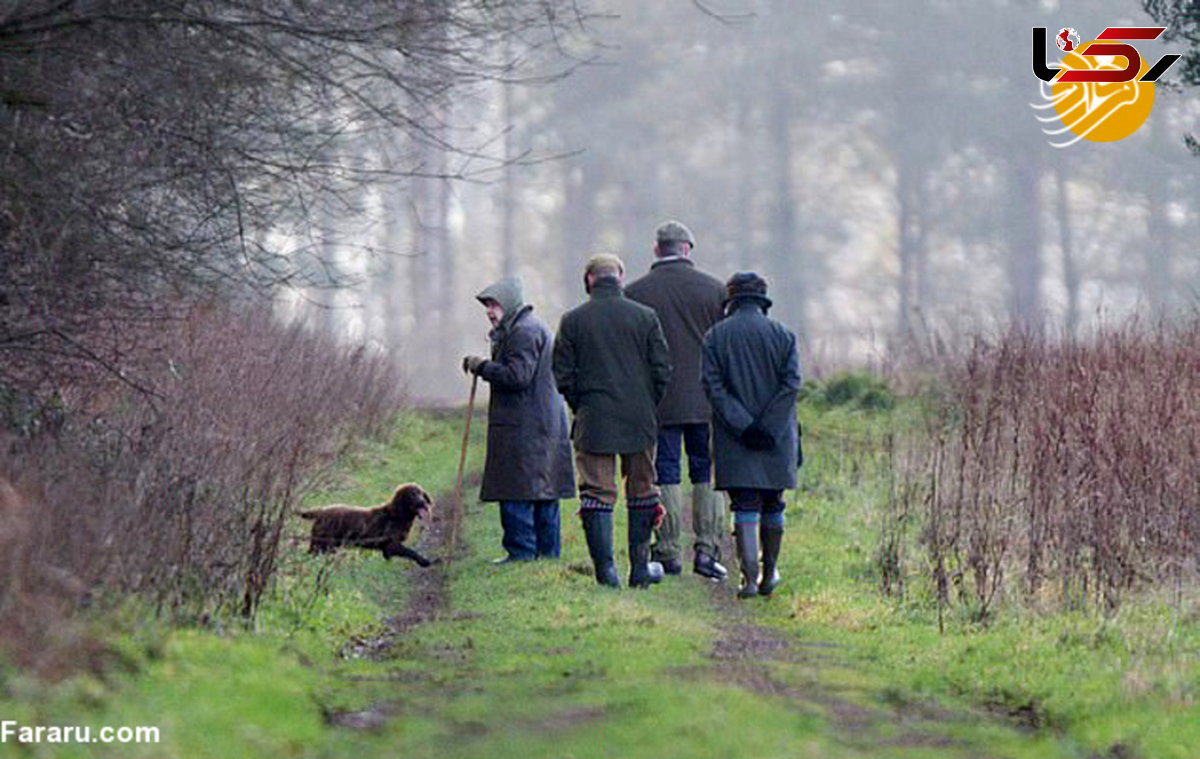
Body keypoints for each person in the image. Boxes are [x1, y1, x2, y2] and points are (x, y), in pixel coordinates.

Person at [552, 254, 673, 588]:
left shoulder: (572, 321)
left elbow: (563, 375)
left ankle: (606, 573)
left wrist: (583, 405)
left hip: (594, 421)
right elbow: (662, 369)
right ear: (619, 277)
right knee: (643, 490)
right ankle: (639, 570)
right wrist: (647, 403)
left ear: (589, 279)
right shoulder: (646, 317)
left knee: (596, 493)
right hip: (639, 420)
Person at [625, 220, 728, 581]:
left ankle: (667, 552)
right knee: (707, 471)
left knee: (665, 471)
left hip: (660, 402)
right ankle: (707, 550)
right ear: (687, 250)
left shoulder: (635, 293)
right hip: (706, 400)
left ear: (657, 250)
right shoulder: (716, 291)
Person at [463, 276, 576, 563]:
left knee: (517, 491)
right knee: (541, 491)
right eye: (487, 306)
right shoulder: (528, 327)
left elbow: (517, 376)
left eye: (494, 305)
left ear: (510, 304)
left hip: (525, 426)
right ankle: (547, 556)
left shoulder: (522, 332)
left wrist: (482, 367)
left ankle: (522, 554)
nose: (490, 311)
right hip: (540, 424)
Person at [701, 273, 800, 598]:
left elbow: (713, 388)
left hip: (735, 438)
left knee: (744, 503)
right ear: (762, 301)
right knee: (773, 501)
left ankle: (748, 578)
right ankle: (769, 573)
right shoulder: (784, 336)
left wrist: (744, 425)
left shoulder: (715, 337)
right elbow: (791, 385)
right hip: (777, 437)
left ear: (731, 301)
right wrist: (769, 427)